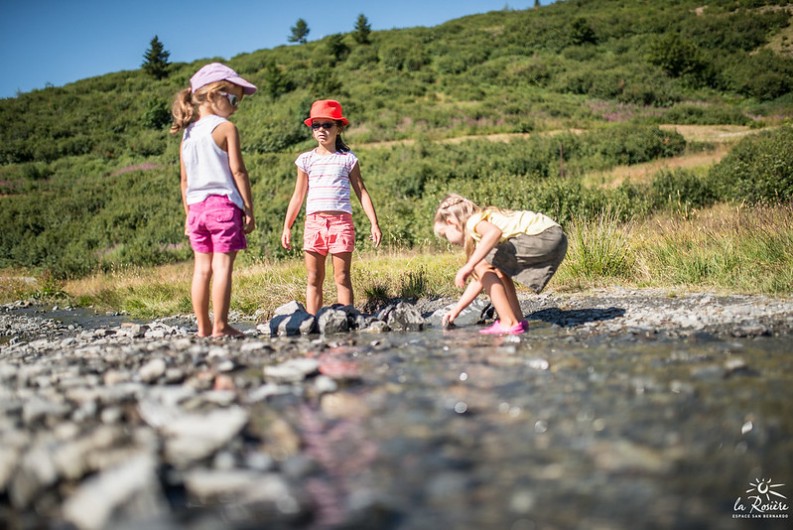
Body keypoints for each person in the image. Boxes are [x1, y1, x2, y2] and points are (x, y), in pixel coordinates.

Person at [170, 62, 257, 337]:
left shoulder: (187, 134)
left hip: (196, 209)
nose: (235, 107)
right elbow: (238, 172)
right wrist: (249, 209)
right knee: (222, 267)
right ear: (212, 95)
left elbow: (184, 181)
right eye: (233, 99)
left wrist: (188, 215)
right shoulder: (226, 128)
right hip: (223, 206)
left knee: (201, 270)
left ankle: (203, 328)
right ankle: (220, 325)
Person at [281, 99, 382, 315]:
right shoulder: (305, 160)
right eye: (316, 125)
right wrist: (287, 226)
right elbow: (298, 195)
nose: (321, 130)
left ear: (339, 128)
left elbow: (361, 192)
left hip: (341, 224)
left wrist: (374, 223)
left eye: (327, 125)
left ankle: (347, 319)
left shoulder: (348, 159)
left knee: (342, 277)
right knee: (314, 277)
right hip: (314, 224)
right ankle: (311, 321)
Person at [433, 194, 567, 335]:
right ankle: (517, 321)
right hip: (554, 237)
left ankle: (508, 323)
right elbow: (479, 279)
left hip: (545, 236)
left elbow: (494, 232)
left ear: (451, 222)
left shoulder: (473, 222)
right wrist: (457, 309)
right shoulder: (482, 224)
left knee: (481, 263)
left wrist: (469, 265)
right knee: (495, 266)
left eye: (444, 235)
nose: (448, 240)